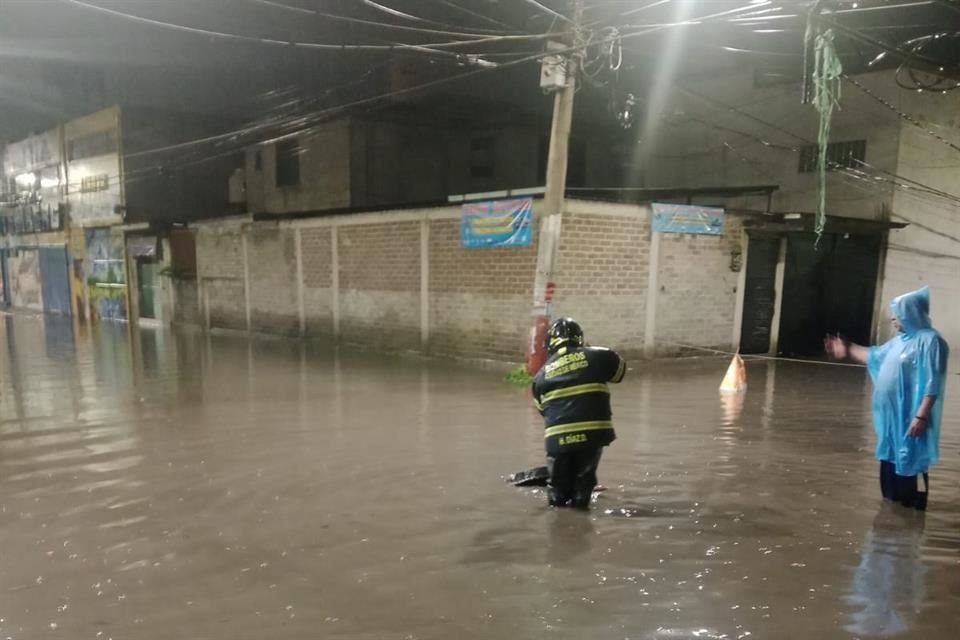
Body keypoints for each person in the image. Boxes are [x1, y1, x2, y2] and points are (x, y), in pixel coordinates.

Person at [825, 286, 949, 511]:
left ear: (912, 312)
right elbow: (874, 356)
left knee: (910, 465)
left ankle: (910, 522)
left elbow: (933, 381)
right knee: (889, 471)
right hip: (892, 421)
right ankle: (890, 519)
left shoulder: (930, 341)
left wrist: (921, 415)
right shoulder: (899, 341)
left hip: (912, 419)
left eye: (898, 312)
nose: (892, 317)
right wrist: (849, 349)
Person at [531, 318, 626, 509]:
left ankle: (560, 524)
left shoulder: (540, 376)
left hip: (559, 439)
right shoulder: (600, 356)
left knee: (557, 490)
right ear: (579, 339)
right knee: (584, 482)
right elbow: (620, 372)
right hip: (593, 435)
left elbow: (544, 411)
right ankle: (581, 516)